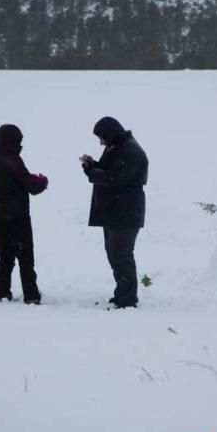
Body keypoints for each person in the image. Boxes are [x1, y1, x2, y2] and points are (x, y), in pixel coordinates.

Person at [80, 116, 148, 309]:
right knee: (114, 254)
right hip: (115, 212)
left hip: (126, 213)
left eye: (101, 137)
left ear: (110, 134)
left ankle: (127, 299)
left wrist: (91, 173)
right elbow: (109, 170)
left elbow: (115, 178)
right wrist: (93, 165)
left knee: (121, 255)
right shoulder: (117, 146)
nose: (100, 142)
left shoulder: (129, 151)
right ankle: (122, 294)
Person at [0, 124, 48, 304]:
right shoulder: (12, 160)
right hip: (18, 217)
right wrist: (42, 181)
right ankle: (31, 296)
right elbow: (30, 185)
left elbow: (14, 181)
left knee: (5, 257)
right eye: (18, 141)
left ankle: (2, 293)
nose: (20, 144)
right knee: (25, 258)